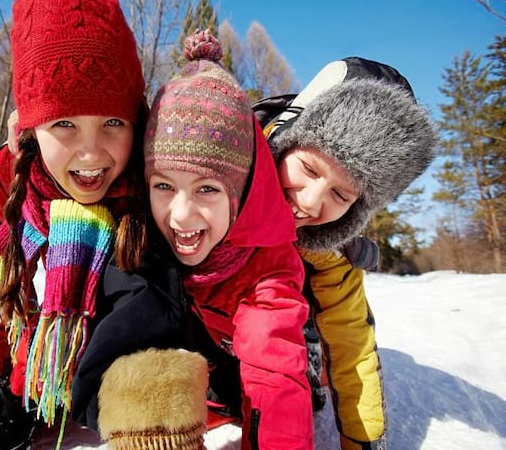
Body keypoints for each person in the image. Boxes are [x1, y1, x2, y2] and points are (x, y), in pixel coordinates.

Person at [71, 30, 313, 450]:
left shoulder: (265, 263)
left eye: (207, 189)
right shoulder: (141, 234)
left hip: (238, 374)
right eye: (164, 186)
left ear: (238, 196)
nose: (181, 215)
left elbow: (275, 372)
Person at [0, 0, 146, 450]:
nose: (91, 154)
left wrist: (29, 385)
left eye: (113, 122)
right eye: (64, 123)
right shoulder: (11, 175)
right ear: (28, 128)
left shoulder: (154, 187)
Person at [253, 56, 437, 450]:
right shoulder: (220, 184)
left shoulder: (330, 252)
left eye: (340, 194)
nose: (310, 202)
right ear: (285, 140)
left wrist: (364, 441)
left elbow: (353, 346)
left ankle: (306, 363)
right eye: (310, 169)